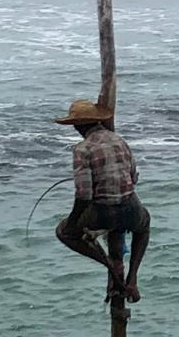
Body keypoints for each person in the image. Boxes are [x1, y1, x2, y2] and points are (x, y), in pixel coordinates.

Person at [53, 99, 151, 301]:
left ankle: (110, 265)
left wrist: (73, 222)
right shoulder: (119, 140)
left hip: (103, 212)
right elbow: (133, 177)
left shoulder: (83, 149)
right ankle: (132, 280)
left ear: (79, 126)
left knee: (65, 232)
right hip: (130, 206)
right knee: (144, 226)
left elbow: (84, 196)